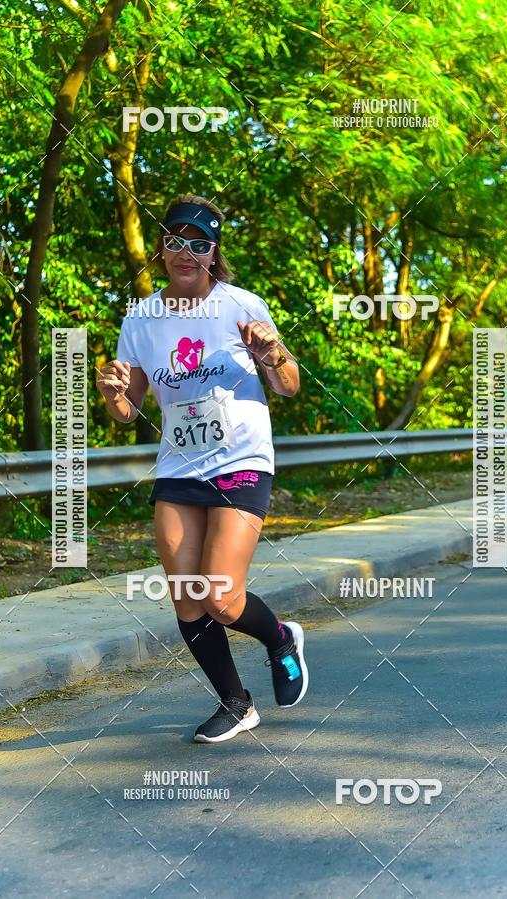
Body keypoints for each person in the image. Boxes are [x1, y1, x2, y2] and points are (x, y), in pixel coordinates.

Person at [97, 194, 308, 742]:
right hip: (179, 465)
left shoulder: (242, 305)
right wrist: (113, 393)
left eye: (199, 243)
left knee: (219, 594)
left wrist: (271, 355)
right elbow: (127, 411)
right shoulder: (142, 317)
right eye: (174, 240)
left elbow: (289, 386)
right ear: (162, 246)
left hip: (241, 460)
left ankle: (280, 637)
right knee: (187, 594)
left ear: (214, 252)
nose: (185, 252)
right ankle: (236, 703)